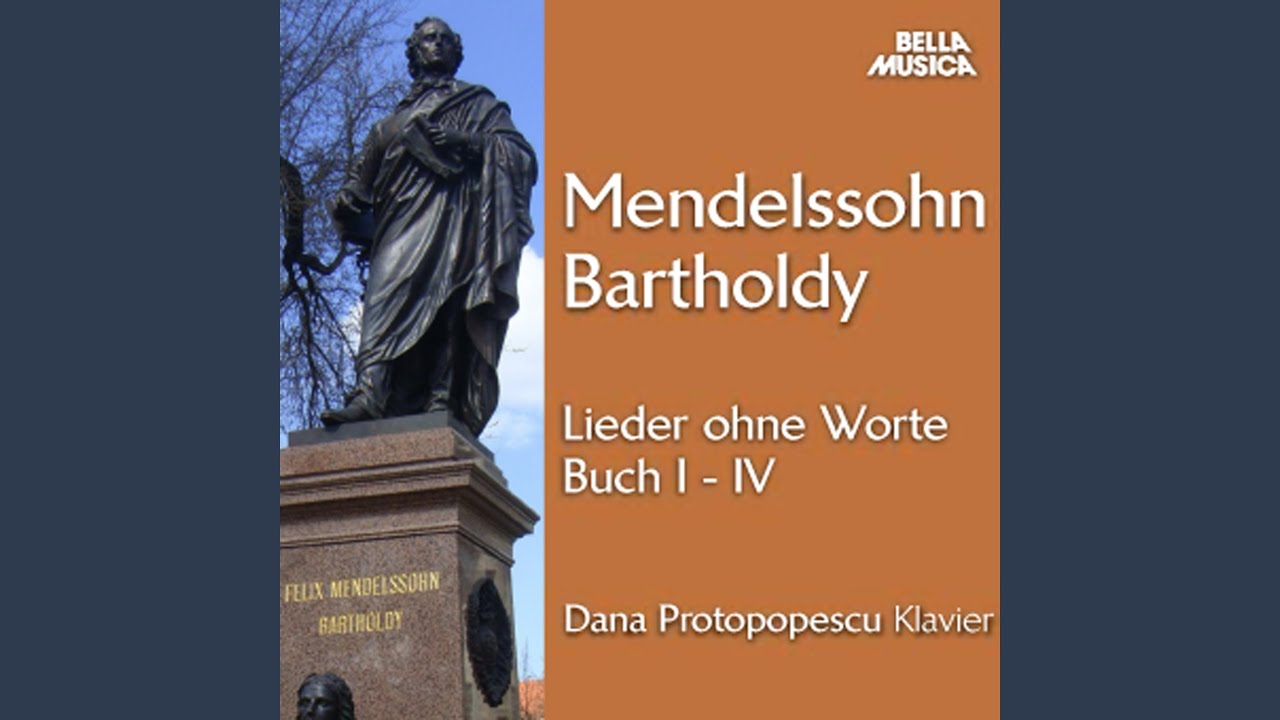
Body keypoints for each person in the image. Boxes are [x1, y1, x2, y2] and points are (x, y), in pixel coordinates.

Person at [322, 17, 537, 435]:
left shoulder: (479, 106)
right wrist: (346, 199)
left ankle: (442, 397)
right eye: (427, 39)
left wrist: (467, 143)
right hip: (398, 229)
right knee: (382, 303)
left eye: (443, 39)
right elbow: (358, 183)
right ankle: (369, 394)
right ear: (414, 52)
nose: (436, 44)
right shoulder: (387, 126)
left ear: (456, 51)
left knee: (447, 307)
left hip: (456, 224)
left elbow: (519, 156)